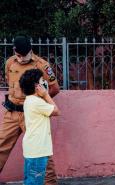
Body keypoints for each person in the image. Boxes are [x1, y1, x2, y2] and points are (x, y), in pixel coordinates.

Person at [0, 35, 60, 185]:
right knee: (1, 145)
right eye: (18, 55)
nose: (20, 59)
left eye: (24, 55)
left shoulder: (42, 65)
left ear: (30, 50)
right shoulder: (10, 63)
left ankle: (50, 182)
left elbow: (55, 88)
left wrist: (39, 101)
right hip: (12, 113)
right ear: (14, 51)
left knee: (41, 151)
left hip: (32, 115)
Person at [19, 69, 60, 185]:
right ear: (37, 86)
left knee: (32, 180)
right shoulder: (36, 102)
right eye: (43, 80)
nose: (45, 82)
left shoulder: (30, 100)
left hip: (34, 148)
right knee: (35, 182)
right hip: (38, 150)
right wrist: (46, 95)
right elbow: (56, 111)